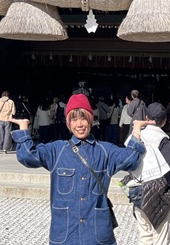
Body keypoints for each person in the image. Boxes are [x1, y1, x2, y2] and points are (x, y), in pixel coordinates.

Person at [11, 93, 150, 245]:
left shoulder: (105, 151)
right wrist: (24, 129)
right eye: (74, 119)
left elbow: (131, 159)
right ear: (68, 123)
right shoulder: (57, 150)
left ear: (90, 120)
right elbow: (27, 156)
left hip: (96, 234)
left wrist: (136, 130)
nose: (79, 124)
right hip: (65, 233)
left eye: (83, 118)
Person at [127, 102, 170, 245]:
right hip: (158, 190)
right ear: (164, 121)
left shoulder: (136, 136)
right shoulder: (163, 139)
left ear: (146, 117)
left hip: (137, 188)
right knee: (161, 237)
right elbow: (168, 167)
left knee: (145, 236)